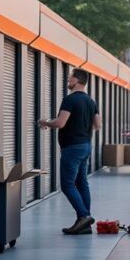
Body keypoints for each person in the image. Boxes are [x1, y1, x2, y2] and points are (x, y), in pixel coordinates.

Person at [37, 68, 101, 235]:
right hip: (86, 145)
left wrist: (45, 122)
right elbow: (97, 125)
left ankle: (84, 216)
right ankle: (85, 224)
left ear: (77, 80)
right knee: (82, 183)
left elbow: (60, 123)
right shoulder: (90, 101)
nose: (68, 80)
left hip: (72, 147)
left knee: (67, 184)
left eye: (69, 77)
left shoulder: (70, 100)